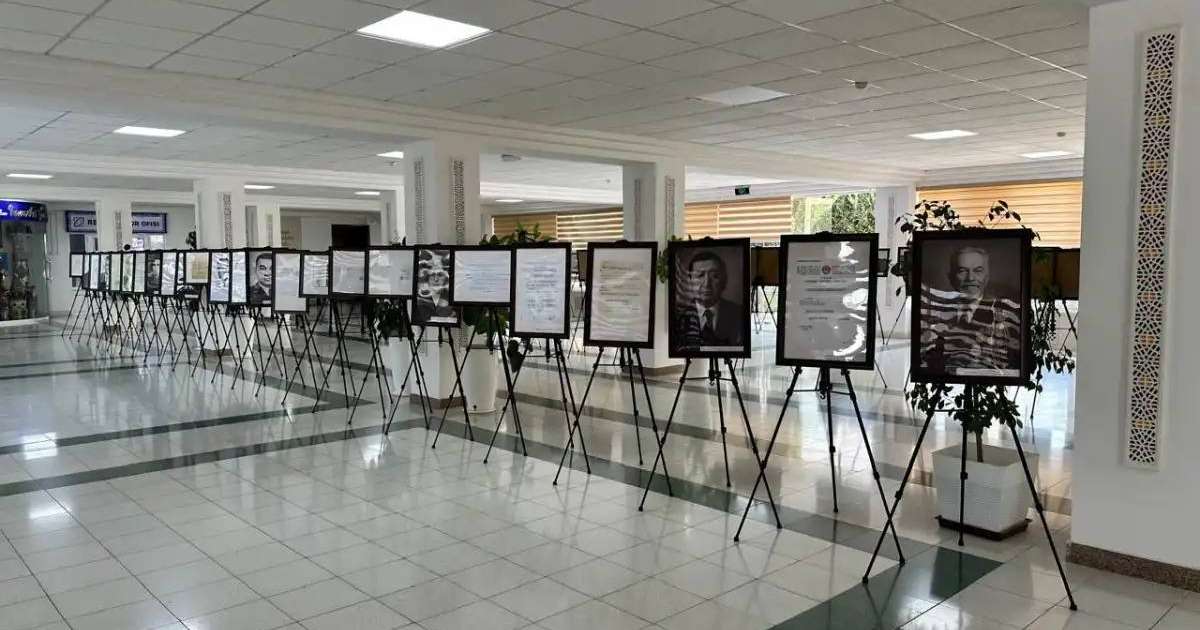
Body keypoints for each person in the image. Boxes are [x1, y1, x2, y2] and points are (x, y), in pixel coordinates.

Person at [920, 245, 1023, 376]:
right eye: (962, 271)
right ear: (951, 277)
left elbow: (1012, 365)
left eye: (978, 270)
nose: (970, 278)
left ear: (987, 276)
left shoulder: (1006, 316)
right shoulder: (935, 313)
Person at [674, 250, 743, 349]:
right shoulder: (679, 317)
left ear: (724, 281)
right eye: (700, 275)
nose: (707, 284)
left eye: (714, 276)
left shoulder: (739, 314)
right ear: (689, 281)